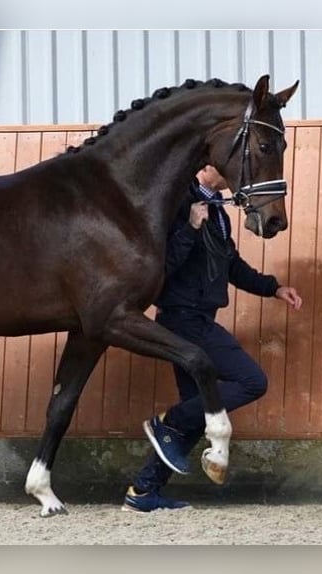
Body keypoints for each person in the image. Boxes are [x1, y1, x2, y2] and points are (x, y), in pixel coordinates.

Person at [122, 165, 303, 513]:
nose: (234, 168)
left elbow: (231, 265)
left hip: (199, 317)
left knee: (199, 413)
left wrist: (274, 288)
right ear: (207, 167)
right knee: (252, 381)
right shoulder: (178, 204)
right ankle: (167, 421)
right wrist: (189, 228)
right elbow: (159, 269)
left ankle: (143, 492)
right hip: (182, 319)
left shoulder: (218, 210)